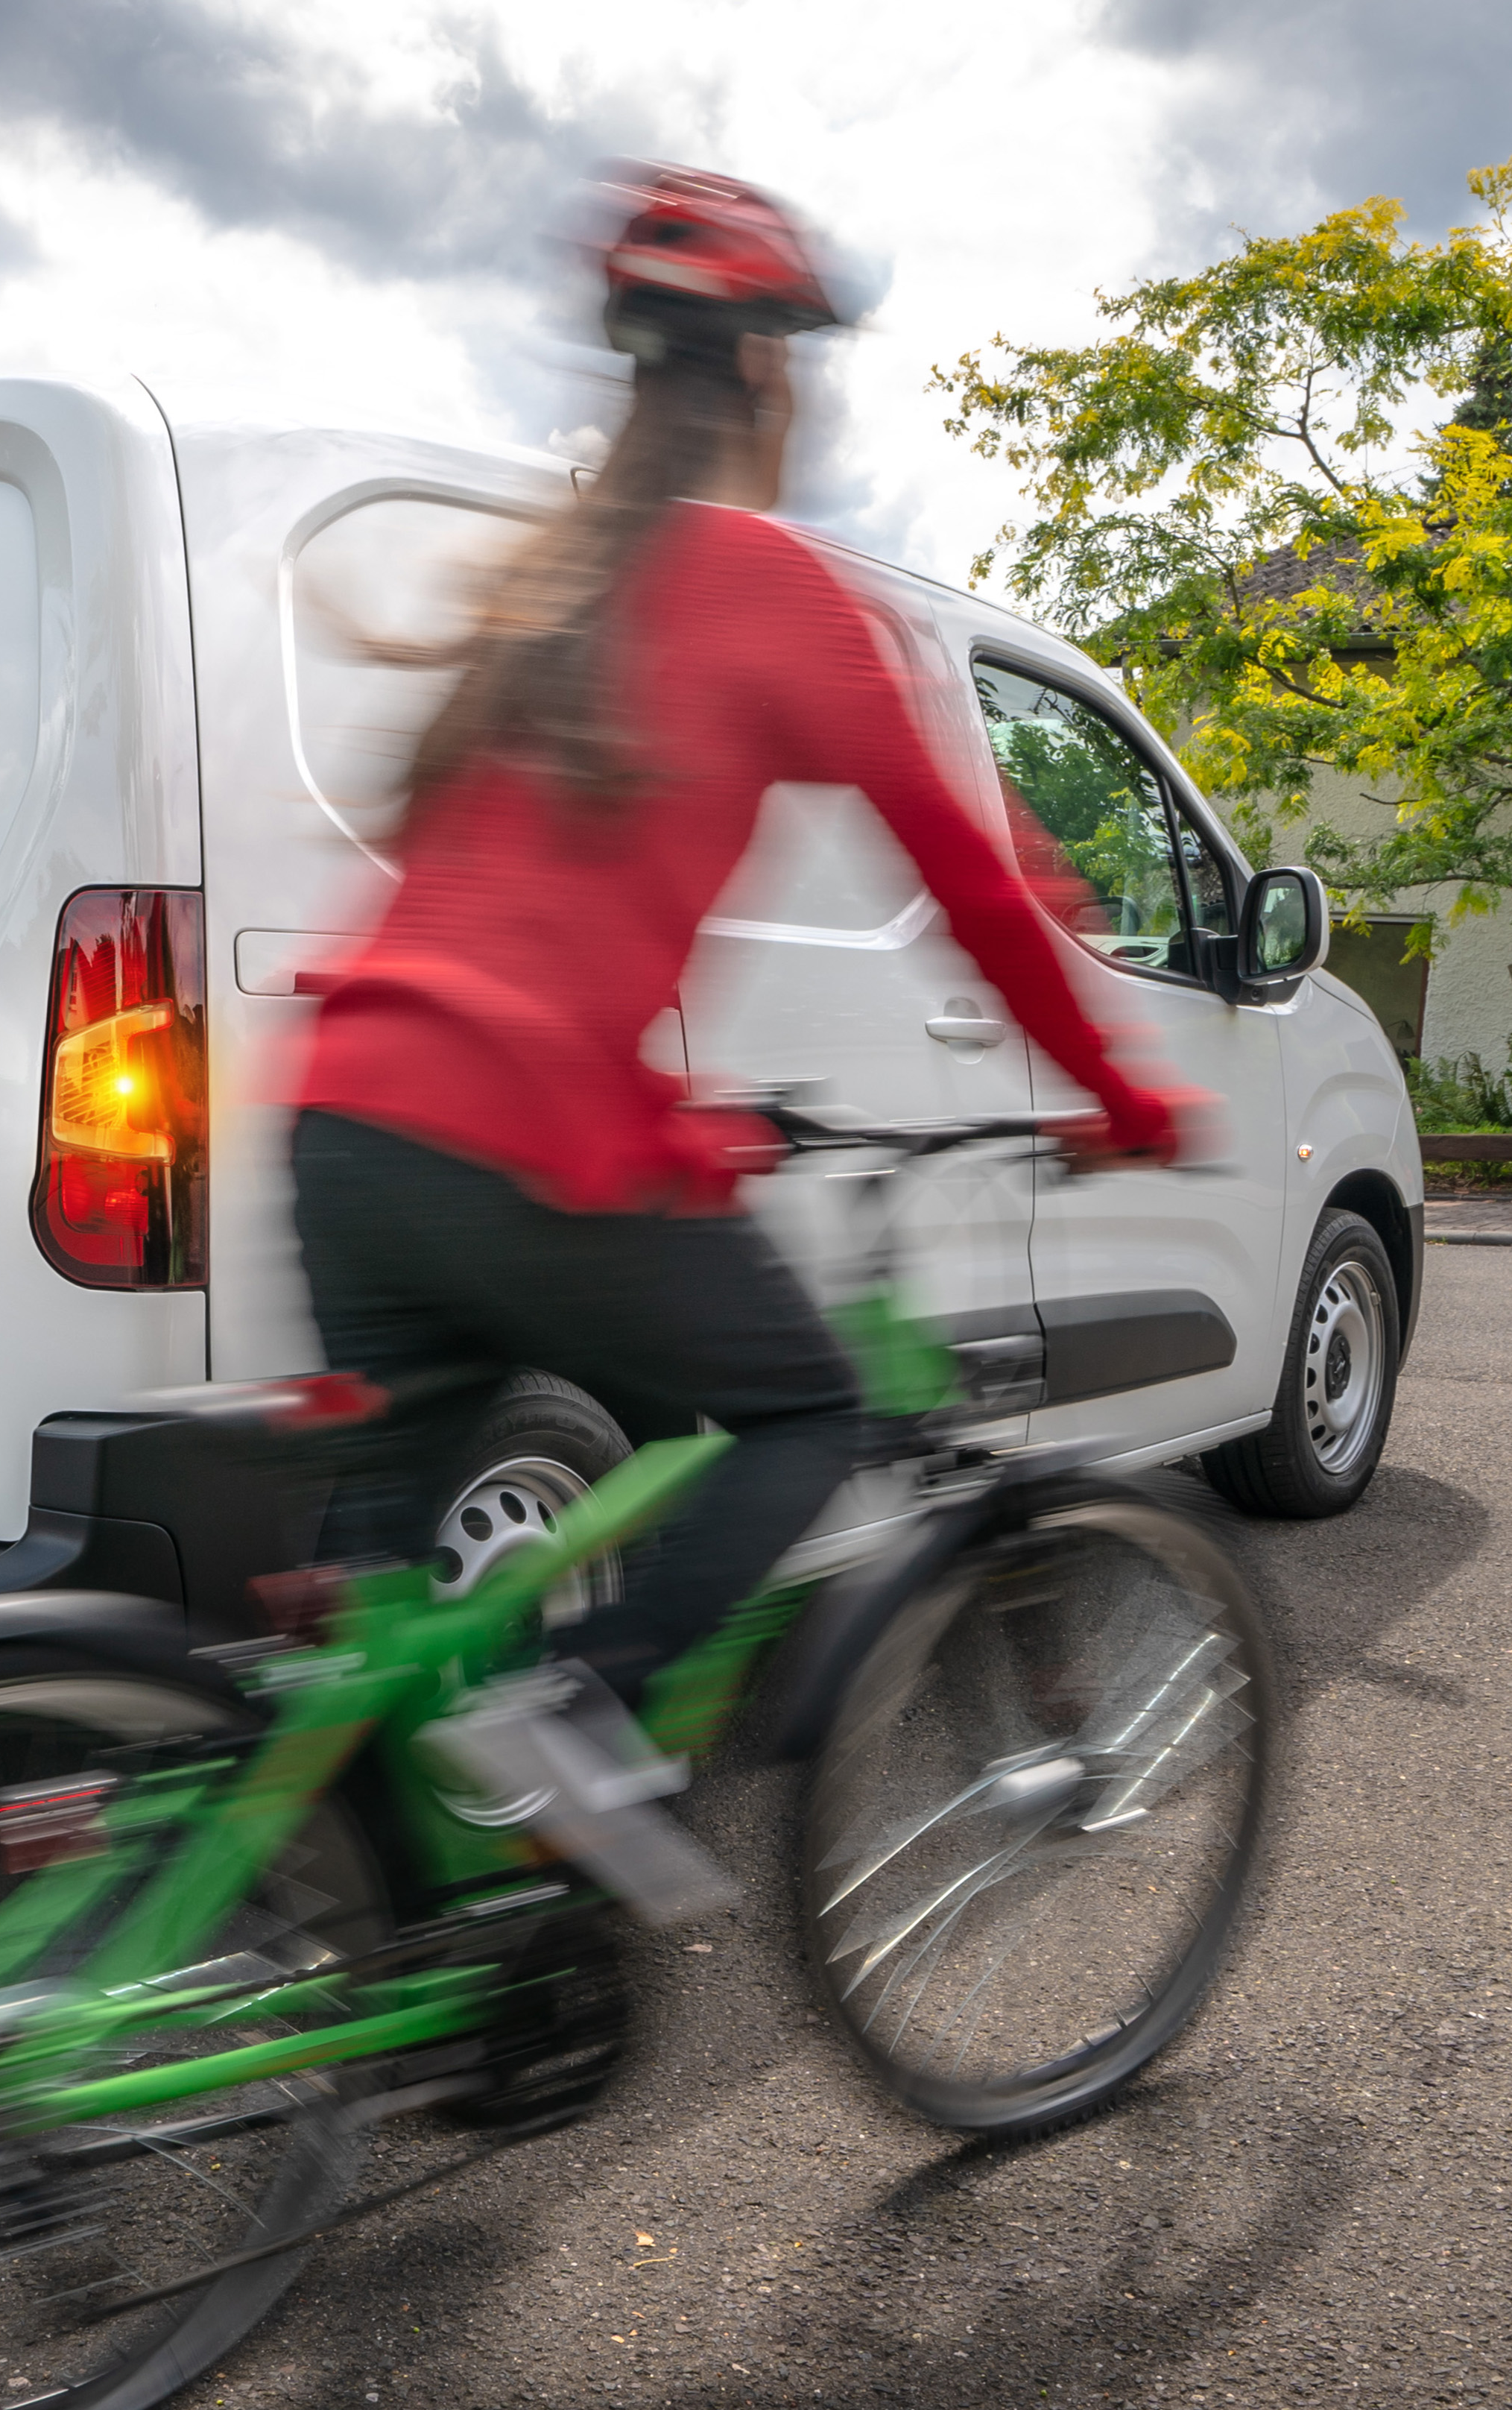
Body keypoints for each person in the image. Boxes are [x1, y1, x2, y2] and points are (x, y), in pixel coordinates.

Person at [285, 163, 1194, 1917]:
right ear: (771, 377)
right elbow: (979, 892)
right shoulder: (775, 592)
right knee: (803, 1405)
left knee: (380, 1619)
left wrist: (659, 1110)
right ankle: (587, 1711)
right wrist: (1124, 1090)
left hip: (347, 1126)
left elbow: (506, 918)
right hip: (513, 1138)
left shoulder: (540, 591)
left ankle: (388, 1974)